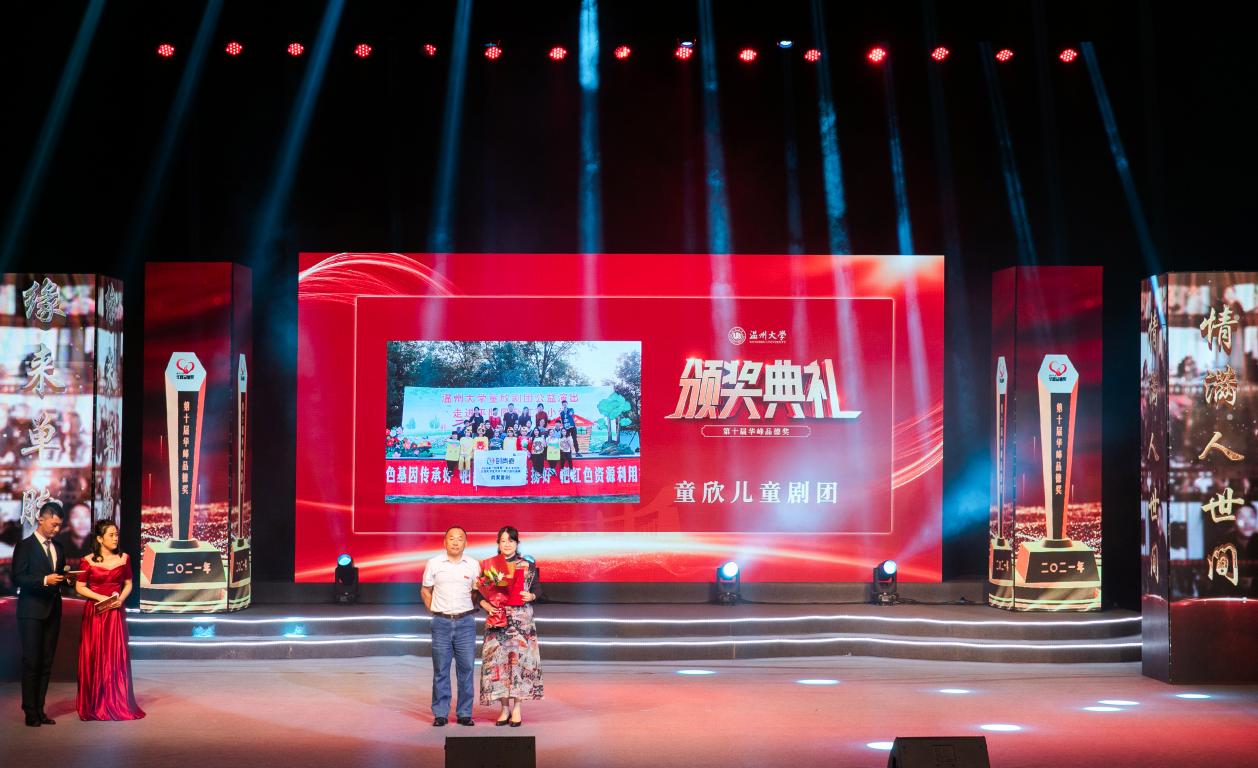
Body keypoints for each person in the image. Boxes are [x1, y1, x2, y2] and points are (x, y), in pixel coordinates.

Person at [74, 520, 144, 721]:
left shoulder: (124, 558)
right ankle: (95, 702)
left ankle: (117, 699)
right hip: (95, 612)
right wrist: (102, 598)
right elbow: (80, 587)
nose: (115, 538)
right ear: (99, 538)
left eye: (116, 535)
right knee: (95, 654)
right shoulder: (87, 560)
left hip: (115, 612)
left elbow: (129, 583)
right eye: (111, 535)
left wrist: (119, 599)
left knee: (115, 654)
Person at [476, 526, 543, 726]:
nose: (507, 544)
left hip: (521, 622)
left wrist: (531, 595)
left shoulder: (527, 565)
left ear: (517, 543)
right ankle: (504, 708)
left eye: (511, 541)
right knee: (498, 664)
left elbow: (539, 590)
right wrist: (487, 606)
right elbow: (479, 593)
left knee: (518, 663)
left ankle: (517, 708)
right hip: (498, 620)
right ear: (498, 543)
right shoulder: (490, 565)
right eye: (503, 540)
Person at [13, 502, 66, 727]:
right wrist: (44, 580)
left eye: (59, 526)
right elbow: (18, 577)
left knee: (46, 663)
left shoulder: (59, 548)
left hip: (53, 611)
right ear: (41, 519)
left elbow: (59, 577)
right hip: (31, 611)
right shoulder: (25, 546)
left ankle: (41, 709)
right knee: (31, 661)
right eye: (53, 525)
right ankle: (30, 711)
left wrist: (68, 578)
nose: (56, 529)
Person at [422, 526, 480, 727]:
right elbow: (426, 590)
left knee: (467, 669)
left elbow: (476, 593)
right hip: (441, 623)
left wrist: (467, 608)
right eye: (452, 538)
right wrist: (434, 610)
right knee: (441, 669)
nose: (456, 542)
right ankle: (440, 713)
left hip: (466, 623)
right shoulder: (434, 563)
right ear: (444, 542)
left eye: (460, 539)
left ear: (466, 543)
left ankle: (464, 713)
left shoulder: (473, 565)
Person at [55, 502, 92, 569]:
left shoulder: (98, 542)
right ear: (68, 522)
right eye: (76, 517)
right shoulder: (58, 544)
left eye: (86, 516)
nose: (82, 522)